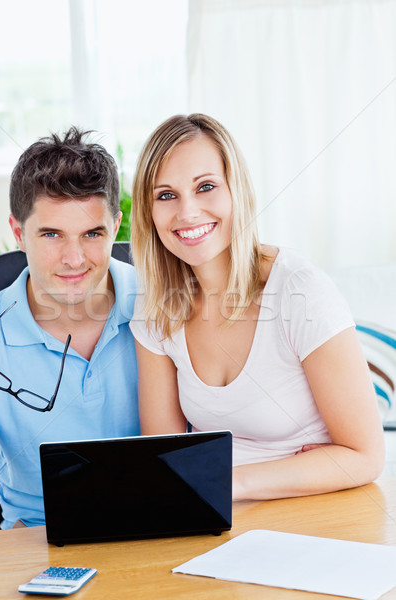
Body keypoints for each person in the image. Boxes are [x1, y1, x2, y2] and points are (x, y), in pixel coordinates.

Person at [130, 113, 384, 501]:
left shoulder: (300, 291)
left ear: (237, 191)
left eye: (206, 186)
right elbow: (165, 455)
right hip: (216, 516)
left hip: (319, 508)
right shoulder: (157, 307)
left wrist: (233, 481)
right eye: (166, 195)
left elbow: (365, 457)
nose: (187, 213)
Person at [0, 127, 139, 530]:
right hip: (39, 540)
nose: (74, 258)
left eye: (92, 234)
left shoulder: (162, 307)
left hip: (156, 526)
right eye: (51, 234)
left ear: (116, 227)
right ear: (19, 233)